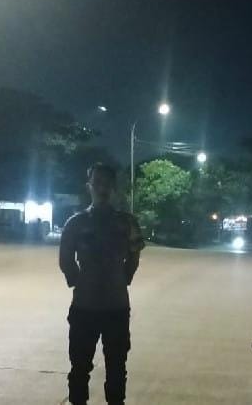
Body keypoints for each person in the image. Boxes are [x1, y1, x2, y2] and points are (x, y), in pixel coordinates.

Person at [60, 163, 145, 405]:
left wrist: (123, 278)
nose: (102, 188)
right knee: (79, 367)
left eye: (107, 183)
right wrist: (79, 281)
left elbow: (135, 255)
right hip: (84, 307)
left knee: (117, 368)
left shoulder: (127, 223)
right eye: (97, 182)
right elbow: (65, 259)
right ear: (89, 186)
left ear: (114, 187)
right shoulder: (75, 223)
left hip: (116, 308)